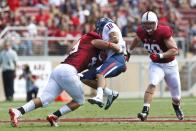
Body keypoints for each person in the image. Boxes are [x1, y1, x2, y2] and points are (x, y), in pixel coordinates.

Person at [8, 31, 121, 127]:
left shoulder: (98, 57)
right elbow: (105, 43)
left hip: (59, 69)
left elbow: (95, 70)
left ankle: (17, 111)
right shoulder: (93, 37)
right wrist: (116, 45)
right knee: (79, 100)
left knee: (44, 99)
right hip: (69, 70)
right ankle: (55, 116)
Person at [128, 11, 184, 121]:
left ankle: (176, 106)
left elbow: (174, 50)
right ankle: (145, 111)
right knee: (152, 83)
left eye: (151, 23)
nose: (148, 26)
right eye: (145, 23)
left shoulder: (163, 31)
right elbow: (136, 39)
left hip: (170, 65)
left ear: (156, 23)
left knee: (176, 97)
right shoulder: (141, 31)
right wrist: (129, 51)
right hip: (156, 65)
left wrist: (160, 55)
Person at [86, 17, 128, 109]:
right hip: (112, 58)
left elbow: (115, 39)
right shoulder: (105, 30)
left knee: (100, 74)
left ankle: (99, 97)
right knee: (84, 77)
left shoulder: (108, 25)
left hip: (117, 57)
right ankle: (110, 93)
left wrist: (103, 47)